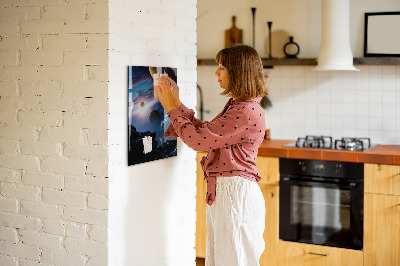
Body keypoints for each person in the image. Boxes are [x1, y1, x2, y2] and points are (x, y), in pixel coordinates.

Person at [155, 44, 267, 266]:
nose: (217, 73)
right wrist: (176, 104)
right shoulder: (240, 106)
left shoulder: (244, 111)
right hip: (230, 195)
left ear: (238, 72)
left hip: (235, 197)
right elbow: (206, 133)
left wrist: (170, 108)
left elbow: (198, 141)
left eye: (222, 67)